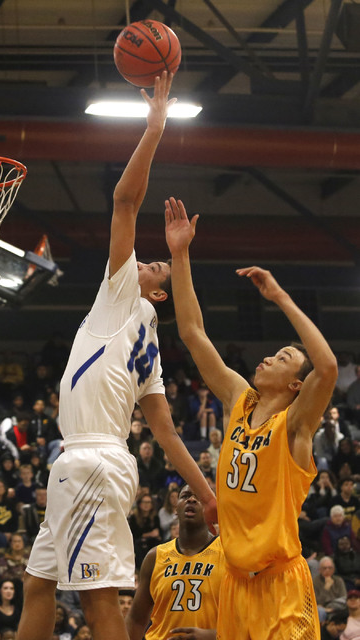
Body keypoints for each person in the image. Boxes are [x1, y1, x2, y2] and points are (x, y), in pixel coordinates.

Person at [18, 72, 216, 640]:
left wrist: (154, 128)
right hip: (87, 462)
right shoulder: (148, 344)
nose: (144, 261)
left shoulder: (125, 297)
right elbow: (168, 436)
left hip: (93, 463)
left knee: (98, 602)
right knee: (38, 584)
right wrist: (206, 493)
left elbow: (125, 199)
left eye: (153, 265)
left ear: (153, 290)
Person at [164, 197, 338, 639]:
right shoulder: (238, 400)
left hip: (281, 586)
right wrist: (180, 254)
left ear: (295, 386)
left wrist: (279, 296)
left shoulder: (296, 427)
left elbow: (328, 367)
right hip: (234, 583)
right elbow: (192, 332)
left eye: (282, 358)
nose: (268, 357)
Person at [126, 484, 225, 640]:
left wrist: (213, 636)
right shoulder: (155, 556)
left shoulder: (228, 554)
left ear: (211, 509)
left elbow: (246, 618)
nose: (191, 499)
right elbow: (136, 620)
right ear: (175, 509)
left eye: (198, 497)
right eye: (185, 496)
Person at [313, 556, 347, 622]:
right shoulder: (315, 582)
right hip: (322, 609)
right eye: (324, 568)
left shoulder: (339, 580)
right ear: (319, 570)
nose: (327, 570)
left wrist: (332, 607)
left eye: (330, 568)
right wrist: (326, 588)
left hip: (337, 607)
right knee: (320, 610)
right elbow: (316, 602)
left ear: (333, 569)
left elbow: (344, 598)